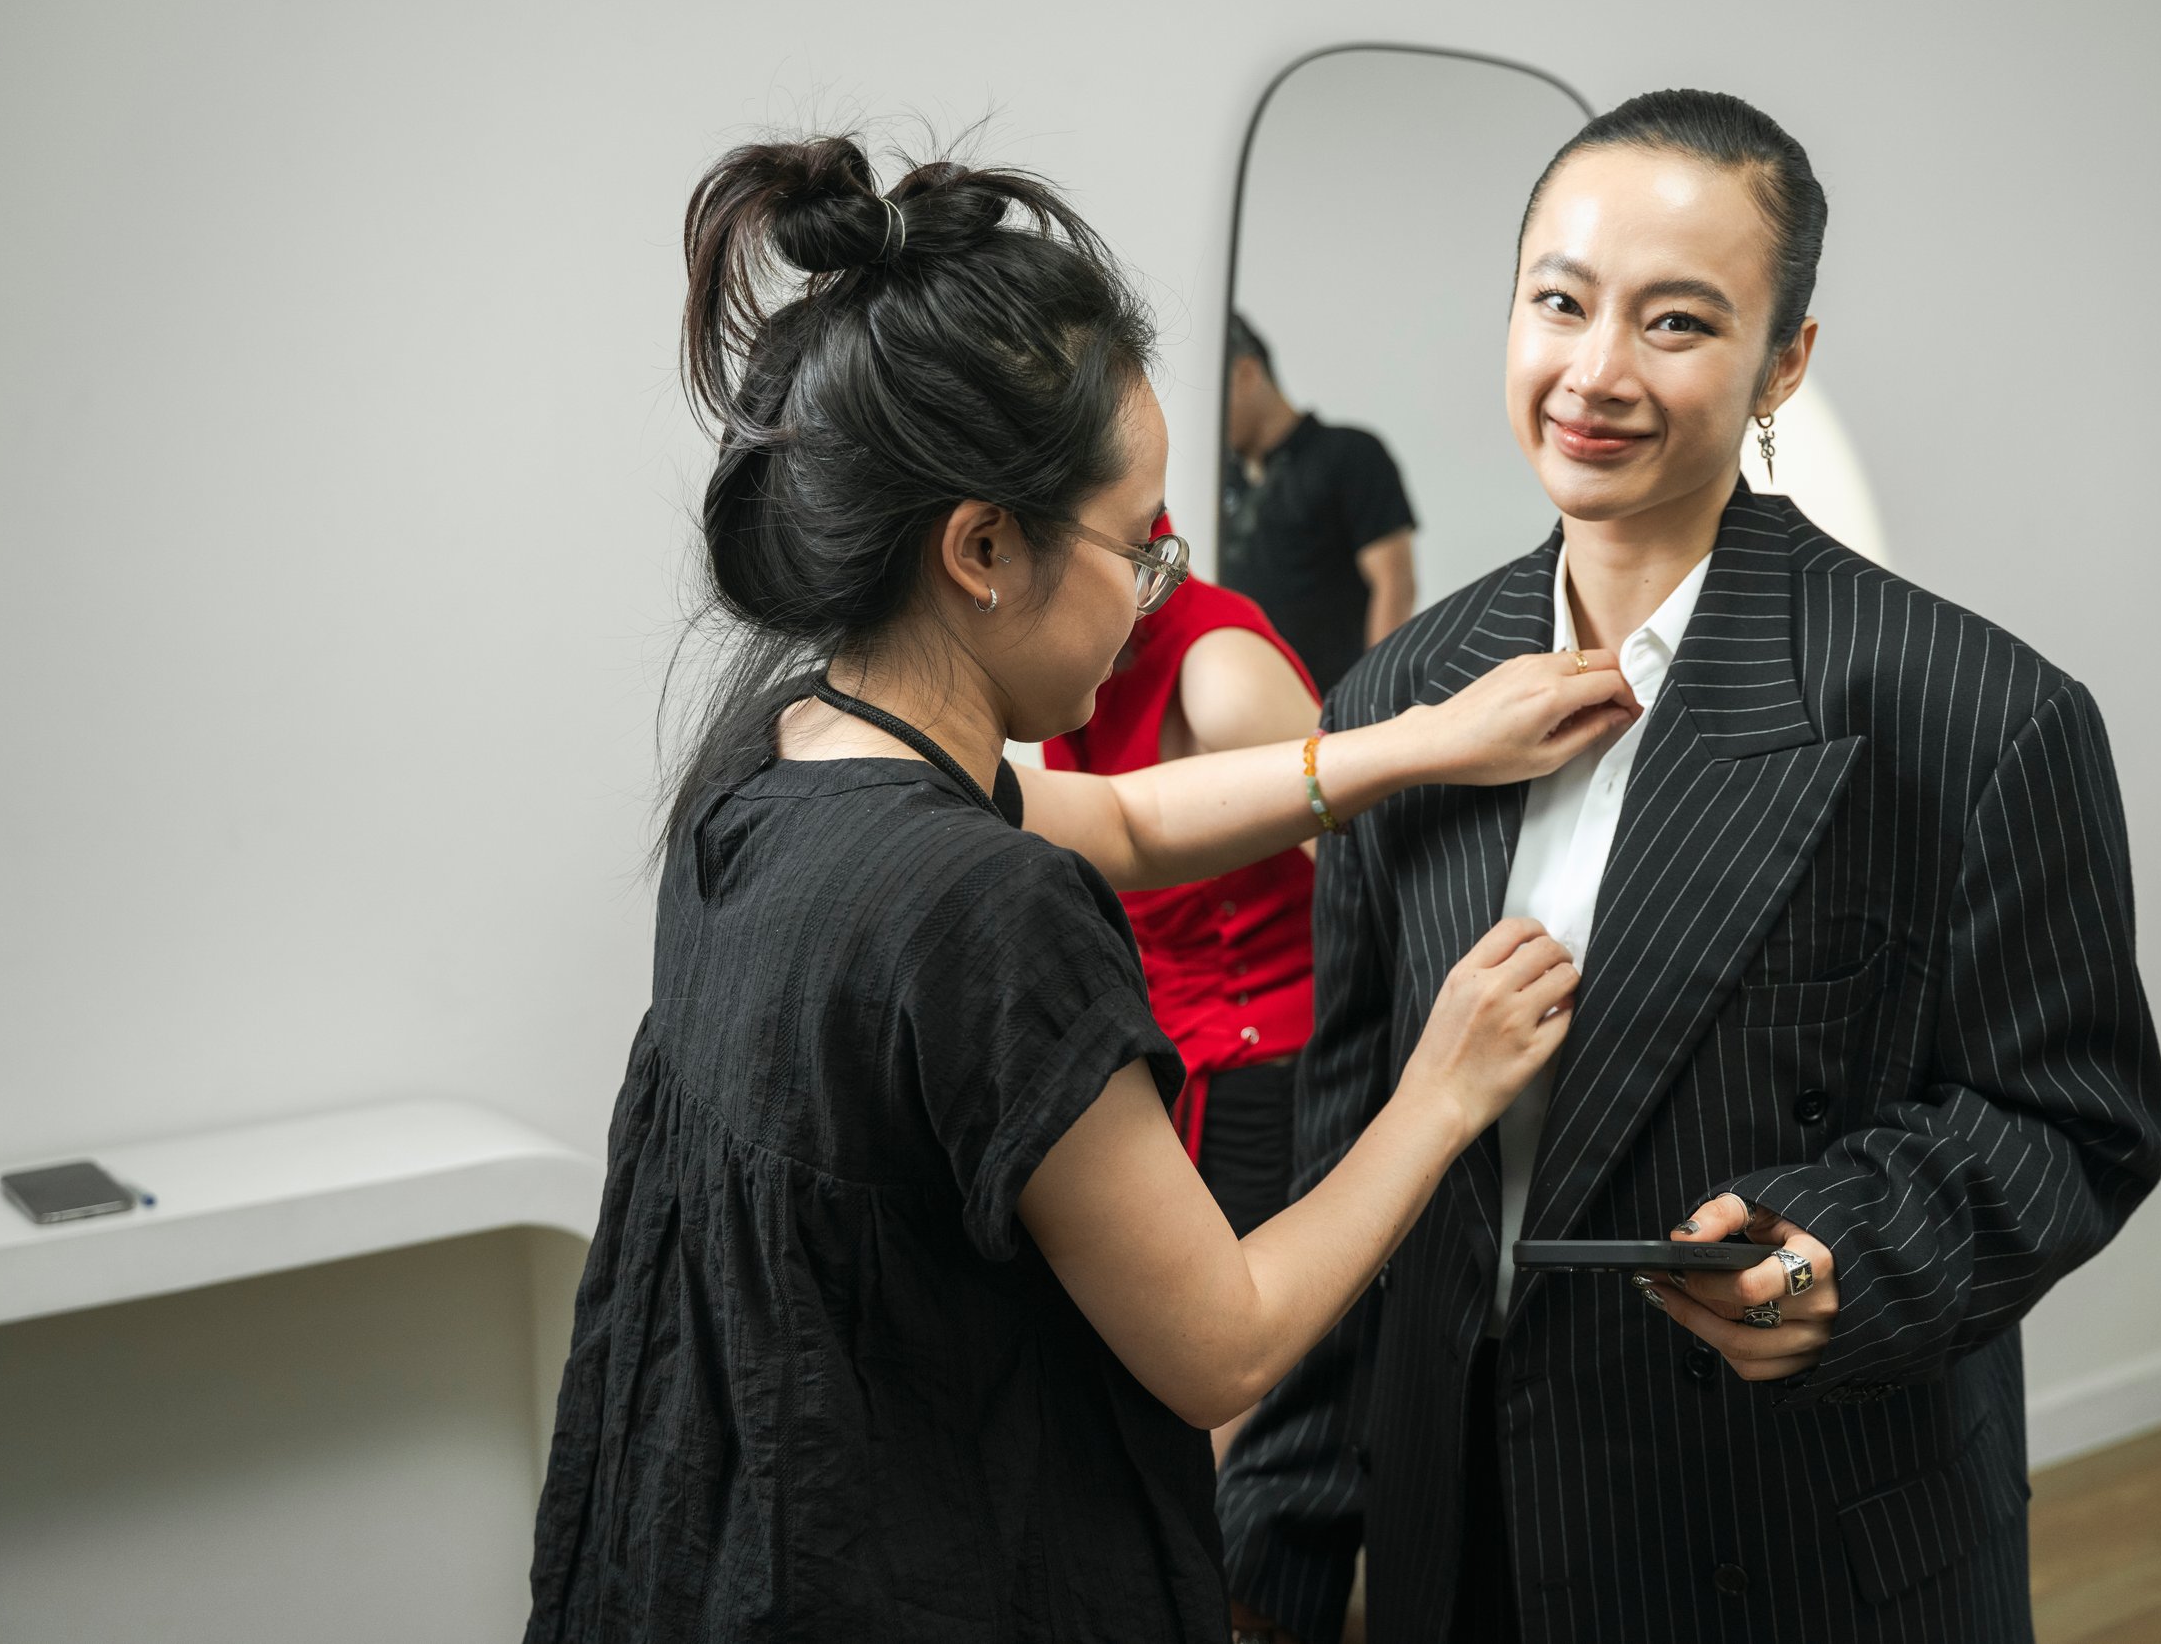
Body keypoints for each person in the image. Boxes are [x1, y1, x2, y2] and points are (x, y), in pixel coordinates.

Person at [521, 135, 1647, 1644]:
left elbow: (1120, 814)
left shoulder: (778, 752)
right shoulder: (986, 912)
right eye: (1136, 543)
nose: (1156, 585)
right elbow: (1223, 1342)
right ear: (983, 547)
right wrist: (1441, 1090)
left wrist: (1416, 743)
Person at [1219, 89, 2161, 1644]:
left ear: (1784, 359)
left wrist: (1845, 1249)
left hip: (1787, 1528)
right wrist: (1279, 1548)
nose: (1596, 372)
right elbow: (1345, 1158)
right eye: (1560, 301)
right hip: (1464, 1523)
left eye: (1676, 321)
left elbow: (2075, 1118)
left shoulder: (1973, 711)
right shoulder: (1403, 695)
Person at [1041, 547, 1321, 1243]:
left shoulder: (1221, 677)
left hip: (1271, 1082)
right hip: (1159, 1074)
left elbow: (1375, 888)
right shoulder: (1061, 666)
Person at [1219, 313, 1417, 694]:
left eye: (1212, 396)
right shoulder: (1223, 481)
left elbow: (1395, 583)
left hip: (1336, 704)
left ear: (1246, 373)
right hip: (1254, 704)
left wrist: (1372, 698)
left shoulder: (1349, 454)